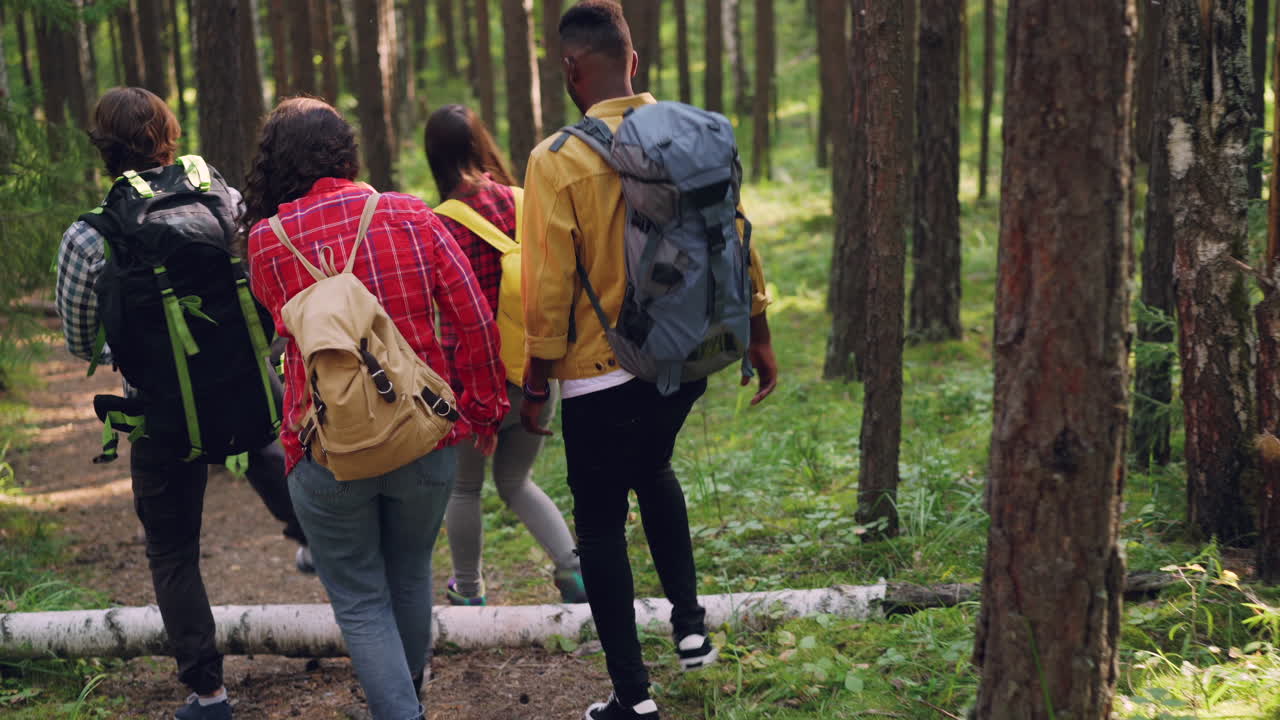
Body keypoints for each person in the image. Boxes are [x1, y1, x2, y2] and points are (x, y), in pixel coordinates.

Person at [519, 3, 779, 718]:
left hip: (601, 371)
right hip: (688, 356)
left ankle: (632, 697)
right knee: (654, 469)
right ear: (632, 62)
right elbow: (732, 232)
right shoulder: (694, 133)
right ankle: (691, 630)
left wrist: (535, 381)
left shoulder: (556, 160)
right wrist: (758, 331)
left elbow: (545, 286)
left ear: (572, 68)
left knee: (599, 524)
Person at [243, 98, 508, 720]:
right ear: (347, 152)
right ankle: (403, 701)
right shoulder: (410, 214)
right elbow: (472, 317)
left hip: (326, 449)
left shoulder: (265, 243)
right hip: (423, 438)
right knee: (411, 575)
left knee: (360, 600)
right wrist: (483, 408)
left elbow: (279, 333)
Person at [55, 87, 310, 720]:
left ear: (103, 149)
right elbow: (257, 274)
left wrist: (136, 345)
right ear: (167, 135)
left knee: (172, 551)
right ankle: (352, 597)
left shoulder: (90, 236)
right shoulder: (222, 197)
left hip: (161, 408)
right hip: (245, 389)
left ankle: (208, 694)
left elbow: (79, 338)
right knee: (283, 474)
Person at [424, 104, 587, 607]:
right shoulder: (524, 201)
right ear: (481, 143)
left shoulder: (438, 226)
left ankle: (469, 590)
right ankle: (574, 572)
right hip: (537, 373)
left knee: (464, 489)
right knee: (517, 480)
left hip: (472, 381)